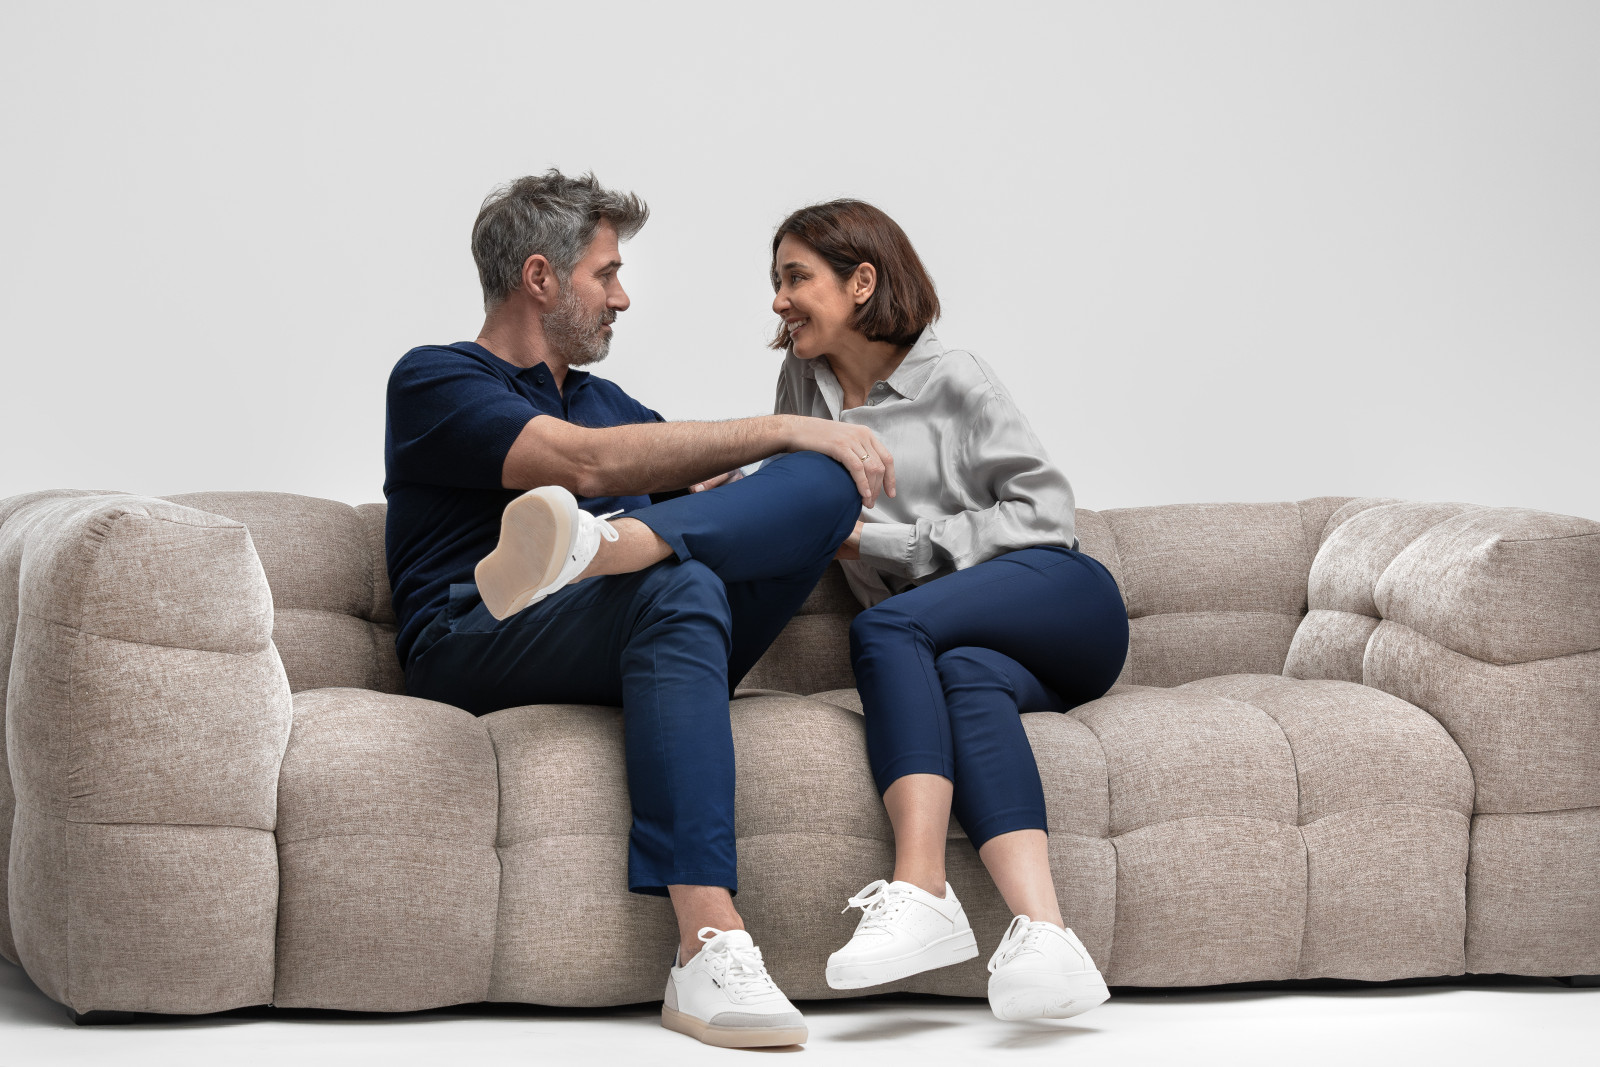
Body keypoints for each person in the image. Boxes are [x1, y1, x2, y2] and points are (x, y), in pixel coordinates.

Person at [383, 170, 897, 1049]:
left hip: (631, 632)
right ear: (540, 279)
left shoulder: (604, 402)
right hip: (473, 637)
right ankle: (707, 943)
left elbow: (723, 492)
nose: (621, 297)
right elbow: (581, 466)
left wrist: (813, 459)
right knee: (686, 578)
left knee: (816, 481)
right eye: (606, 273)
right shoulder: (436, 380)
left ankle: (605, 552)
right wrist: (785, 427)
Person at [768, 200, 1129, 1021]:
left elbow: (1045, 515)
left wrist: (885, 545)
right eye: (777, 281)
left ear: (862, 282)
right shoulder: (803, 389)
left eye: (797, 278)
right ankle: (1048, 936)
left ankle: (921, 885)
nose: (780, 300)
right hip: (967, 645)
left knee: (890, 624)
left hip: (1063, 602)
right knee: (960, 675)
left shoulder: (953, 376)